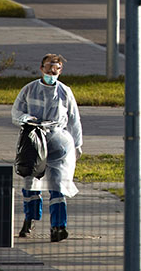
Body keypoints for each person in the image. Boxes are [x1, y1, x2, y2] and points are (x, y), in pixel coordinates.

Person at [11, 53, 83, 242]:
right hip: (34, 140)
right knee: (30, 181)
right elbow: (16, 111)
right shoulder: (29, 89)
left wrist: (77, 144)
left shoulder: (65, 92)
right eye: (49, 67)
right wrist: (26, 119)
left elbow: (74, 119)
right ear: (41, 68)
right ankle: (29, 219)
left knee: (58, 184)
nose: (52, 71)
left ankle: (58, 226)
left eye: (56, 68)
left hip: (58, 141)